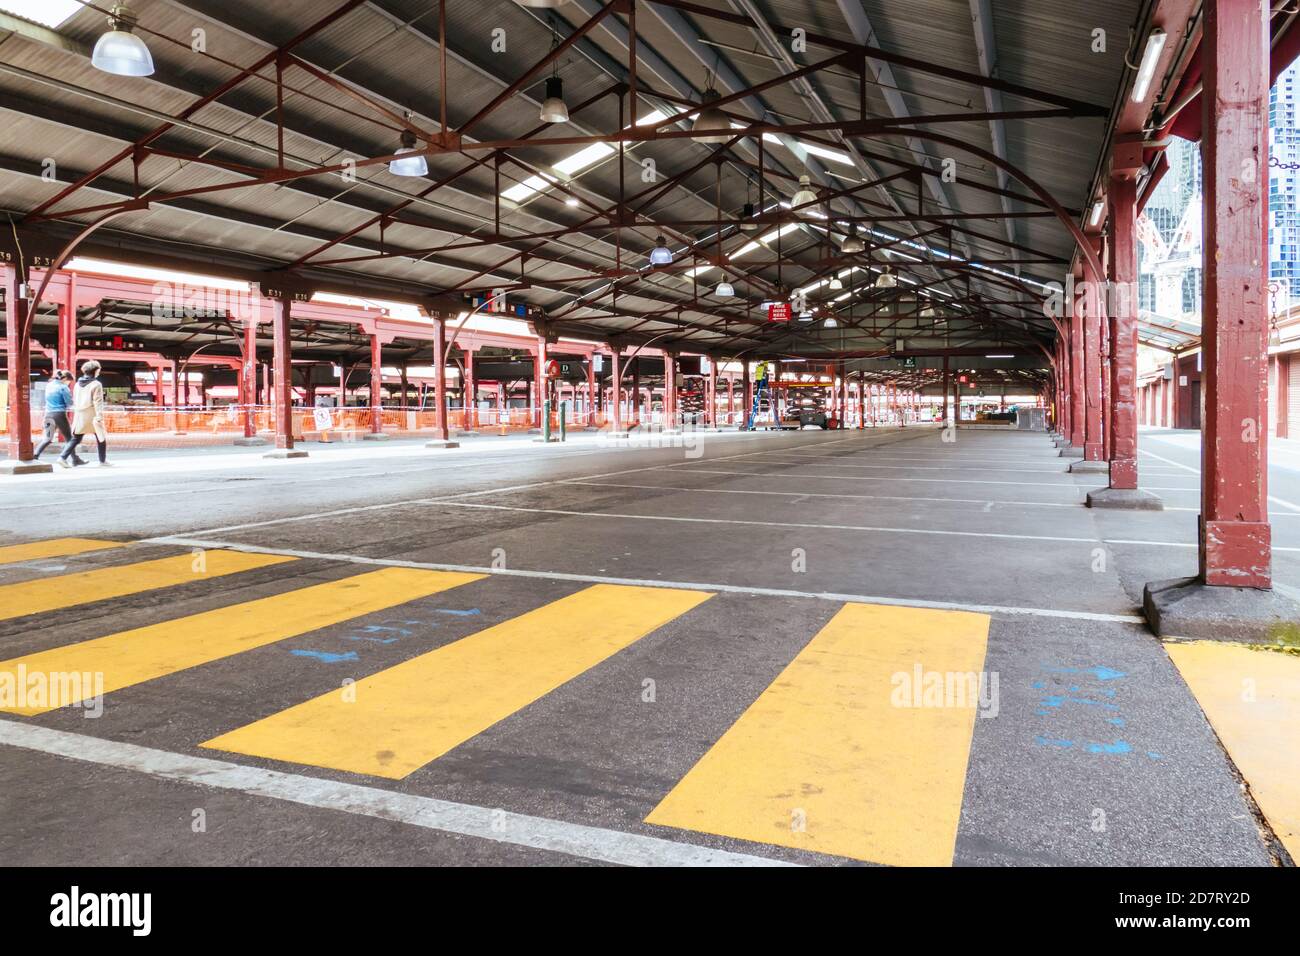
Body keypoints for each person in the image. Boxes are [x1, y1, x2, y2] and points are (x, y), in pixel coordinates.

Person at [60, 360, 109, 468]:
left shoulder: (77, 384)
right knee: (101, 437)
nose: (99, 372)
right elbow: (98, 401)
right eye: (98, 370)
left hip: (80, 415)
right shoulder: (96, 384)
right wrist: (99, 416)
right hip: (92, 414)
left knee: (76, 438)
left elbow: (75, 399)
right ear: (95, 371)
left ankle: (62, 457)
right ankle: (102, 461)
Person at [34, 370, 85, 464]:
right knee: (69, 438)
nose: (69, 384)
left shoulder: (49, 385)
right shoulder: (63, 387)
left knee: (48, 438)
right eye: (69, 381)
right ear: (65, 379)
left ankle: (35, 455)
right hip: (59, 414)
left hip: (48, 414)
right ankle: (73, 459)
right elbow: (69, 402)